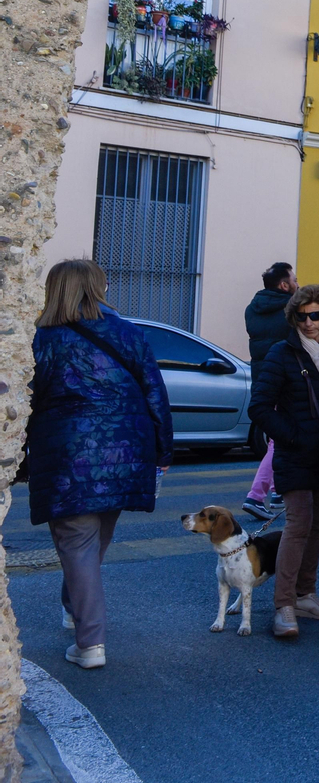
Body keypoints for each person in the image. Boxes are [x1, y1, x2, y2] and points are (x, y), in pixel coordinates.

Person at [27, 259, 174, 669]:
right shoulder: (128, 332)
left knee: (77, 543)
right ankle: (73, 608)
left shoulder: (42, 339)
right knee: (93, 541)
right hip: (127, 451)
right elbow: (155, 394)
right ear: (98, 287)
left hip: (66, 454)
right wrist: (162, 452)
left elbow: (27, 398)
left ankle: (90, 644)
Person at [247, 283, 319, 639]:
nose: (309, 323)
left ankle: (306, 594)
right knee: (299, 523)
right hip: (295, 453)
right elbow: (259, 407)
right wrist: (292, 435)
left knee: (318, 525)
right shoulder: (282, 353)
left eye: (316, 315)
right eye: (301, 316)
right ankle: (284, 605)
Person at [242, 262, 296, 520]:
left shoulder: (252, 310)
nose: (298, 284)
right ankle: (256, 495)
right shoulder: (290, 310)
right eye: (294, 280)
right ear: (284, 285)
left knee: (279, 437)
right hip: (284, 380)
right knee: (279, 439)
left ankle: (276, 492)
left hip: (261, 379)